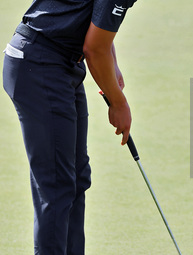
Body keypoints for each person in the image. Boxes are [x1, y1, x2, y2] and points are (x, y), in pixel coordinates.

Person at [2, 0, 137, 254]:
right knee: (57, 185)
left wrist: (113, 63)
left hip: (60, 65)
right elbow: (95, 50)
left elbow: (99, 22)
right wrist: (118, 104)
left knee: (75, 179)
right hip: (39, 63)